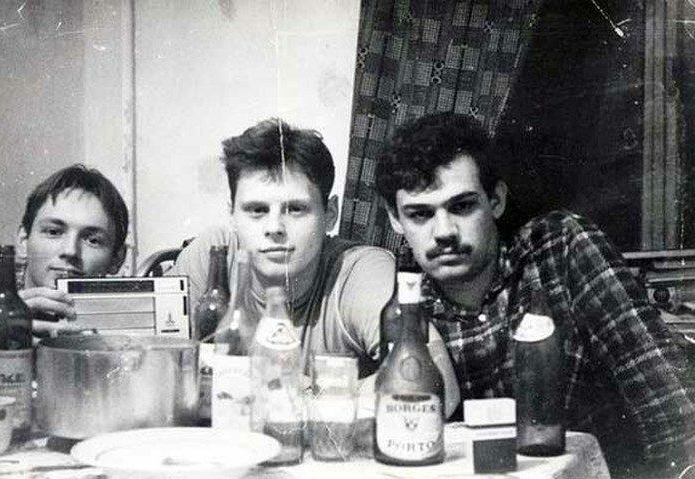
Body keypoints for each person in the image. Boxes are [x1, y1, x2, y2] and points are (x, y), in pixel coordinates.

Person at [375, 111, 695, 479]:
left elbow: (672, 408)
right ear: (396, 219)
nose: (444, 231)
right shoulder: (405, 312)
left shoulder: (560, 249)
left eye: (462, 206)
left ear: (496, 200)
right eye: (420, 214)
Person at [171, 118, 459, 415]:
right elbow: (163, 375)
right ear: (232, 214)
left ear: (330, 214)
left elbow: (440, 388)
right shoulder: (212, 257)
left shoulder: (359, 270)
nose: (274, 227)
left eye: (295, 209)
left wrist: (292, 392)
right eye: (256, 210)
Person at [0, 164, 129, 336]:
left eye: (93, 240)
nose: (70, 251)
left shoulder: (127, 309)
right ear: (23, 241)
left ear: (117, 259)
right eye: (53, 232)